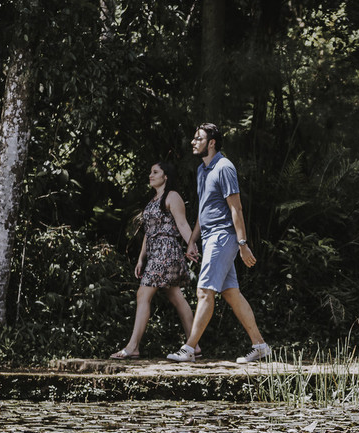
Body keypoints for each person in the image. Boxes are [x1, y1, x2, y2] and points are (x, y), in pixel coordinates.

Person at [166, 123, 272, 364]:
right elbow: (204, 211)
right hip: (210, 237)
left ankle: (189, 348)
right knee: (231, 293)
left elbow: (236, 208)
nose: (193, 142)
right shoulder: (202, 170)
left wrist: (242, 243)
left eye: (198, 138)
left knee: (204, 291)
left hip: (223, 236)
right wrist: (192, 241)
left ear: (211, 142)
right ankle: (260, 346)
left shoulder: (224, 167)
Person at [110, 162, 200, 359]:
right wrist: (141, 258)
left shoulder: (172, 196)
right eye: (151, 172)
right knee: (175, 295)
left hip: (167, 251)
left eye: (155, 172)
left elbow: (182, 224)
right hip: (154, 252)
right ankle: (195, 345)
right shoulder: (153, 200)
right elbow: (148, 232)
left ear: (165, 176)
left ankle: (133, 347)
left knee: (143, 294)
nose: (150, 175)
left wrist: (191, 244)